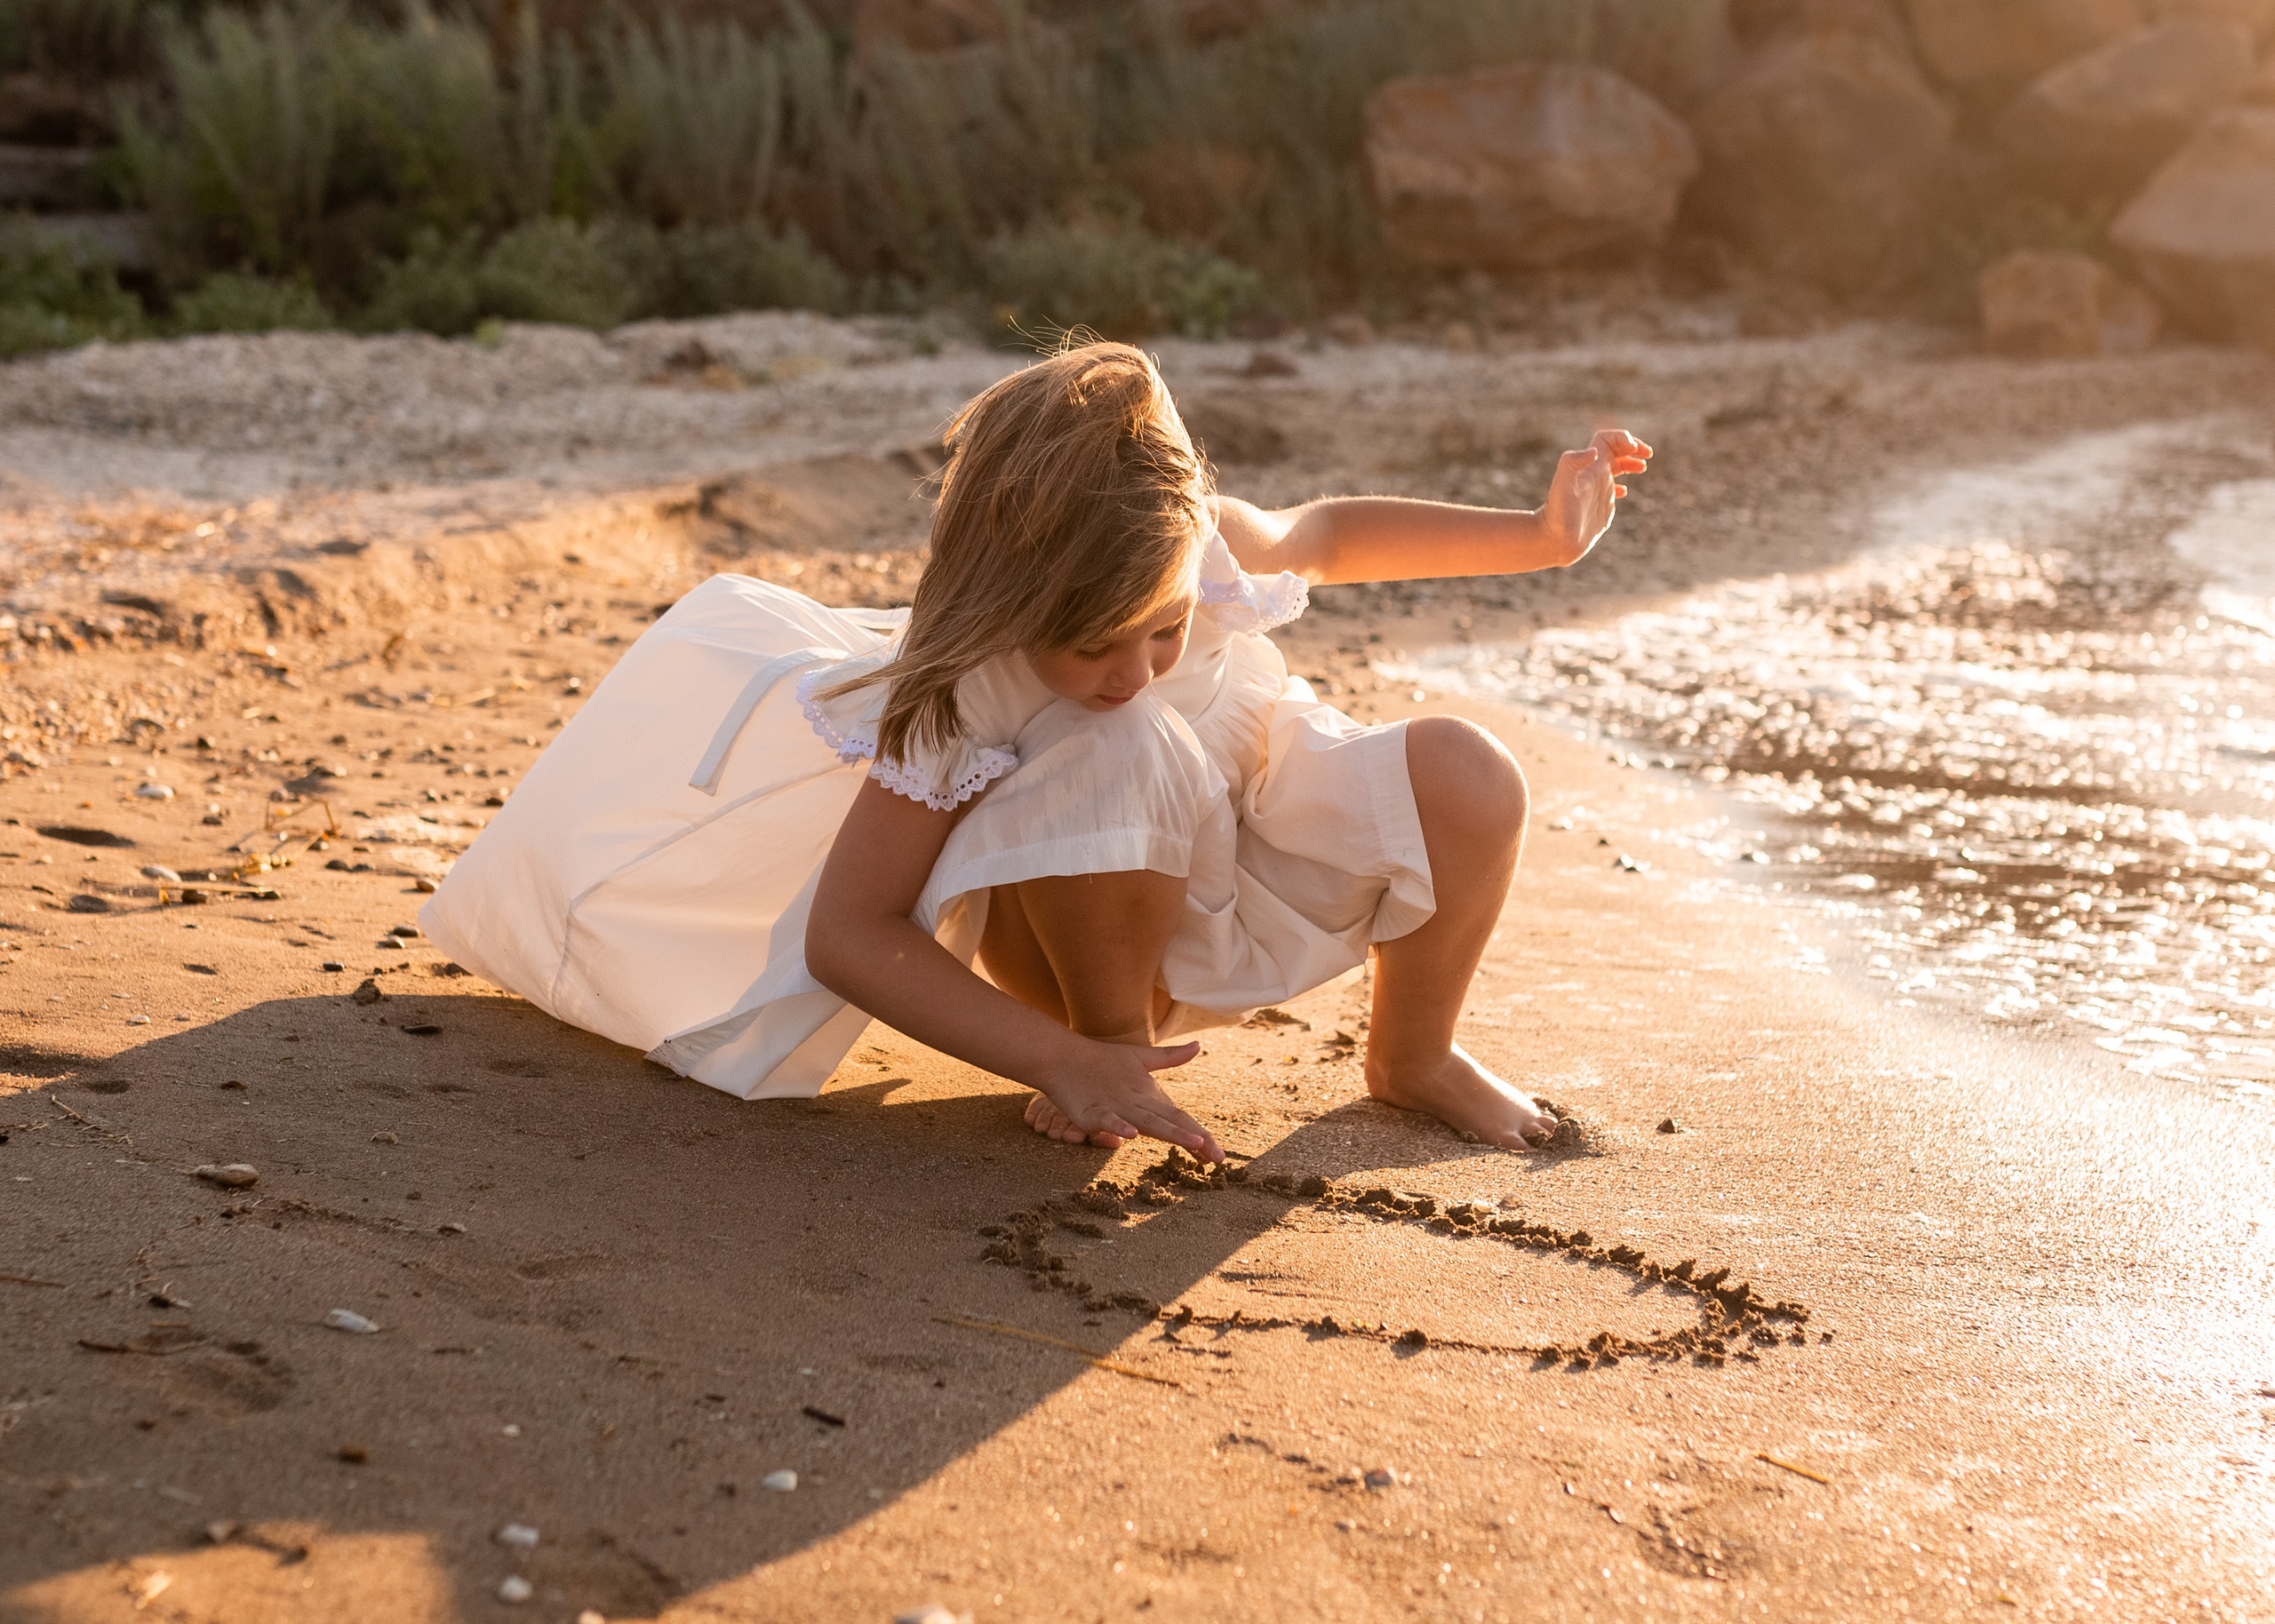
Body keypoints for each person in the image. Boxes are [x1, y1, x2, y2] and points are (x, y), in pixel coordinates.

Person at [419, 340, 1649, 1164]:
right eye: (1088, 647)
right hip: (1092, 931)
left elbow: (1323, 532)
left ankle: (1413, 1052)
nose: (1133, 669)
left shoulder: (1199, 540)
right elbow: (849, 930)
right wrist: (1056, 1051)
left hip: (1252, 850)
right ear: (1011, 608)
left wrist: (1541, 536)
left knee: (1470, 775)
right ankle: (1111, 1065)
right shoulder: (968, 690)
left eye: (1163, 631)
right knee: (1124, 744)